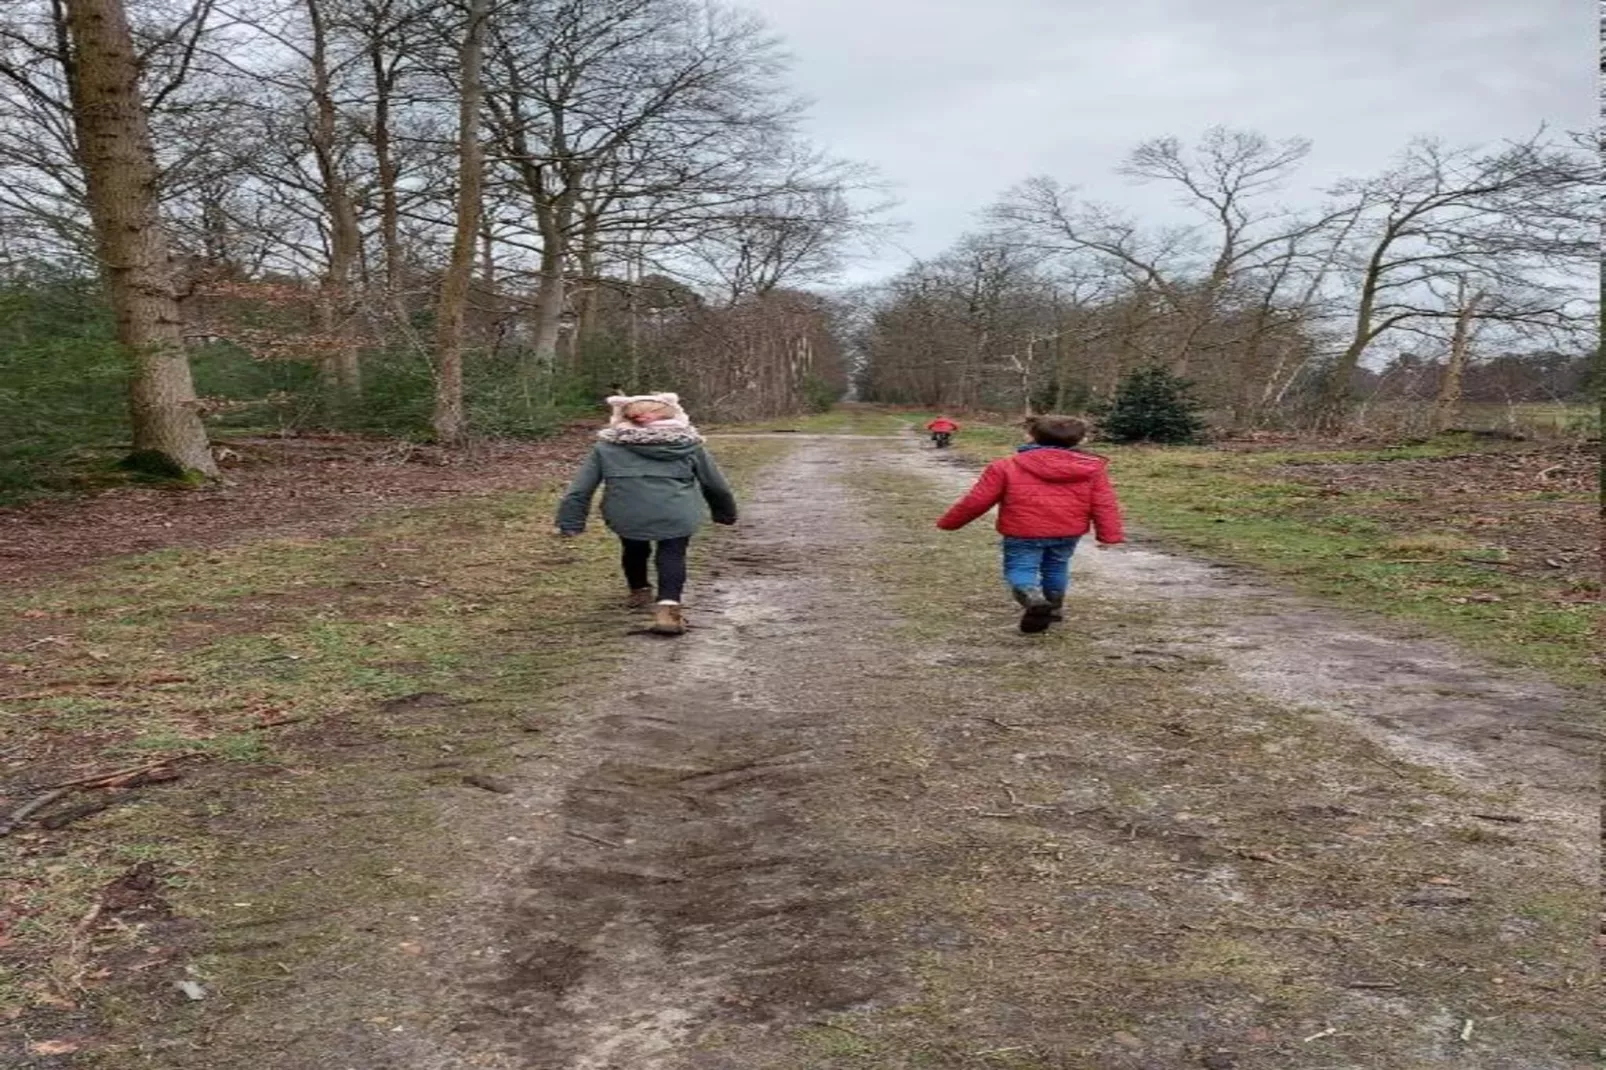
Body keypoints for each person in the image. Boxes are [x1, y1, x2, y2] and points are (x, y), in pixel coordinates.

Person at [555, 393, 736, 636]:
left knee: (634, 547)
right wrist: (724, 513)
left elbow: (580, 488)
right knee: (673, 553)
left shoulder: (607, 447)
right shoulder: (689, 445)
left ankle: (639, 591)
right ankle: (668, 610)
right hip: (677, 511)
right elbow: (715, 485)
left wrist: (571, 521)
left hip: (626, 511)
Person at [936, 414, 1124, 634]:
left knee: (1021, 568)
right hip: (1067, 530)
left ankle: (1032, 597)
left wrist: (950, 522)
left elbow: (978, 500)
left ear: (1031, 435)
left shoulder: (1006, 466)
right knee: (1056, 566)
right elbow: (1104, 503)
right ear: (1082, 440)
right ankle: (1053, 608)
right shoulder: (1092, 469)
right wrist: (1109, 536)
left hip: (1022, 531)